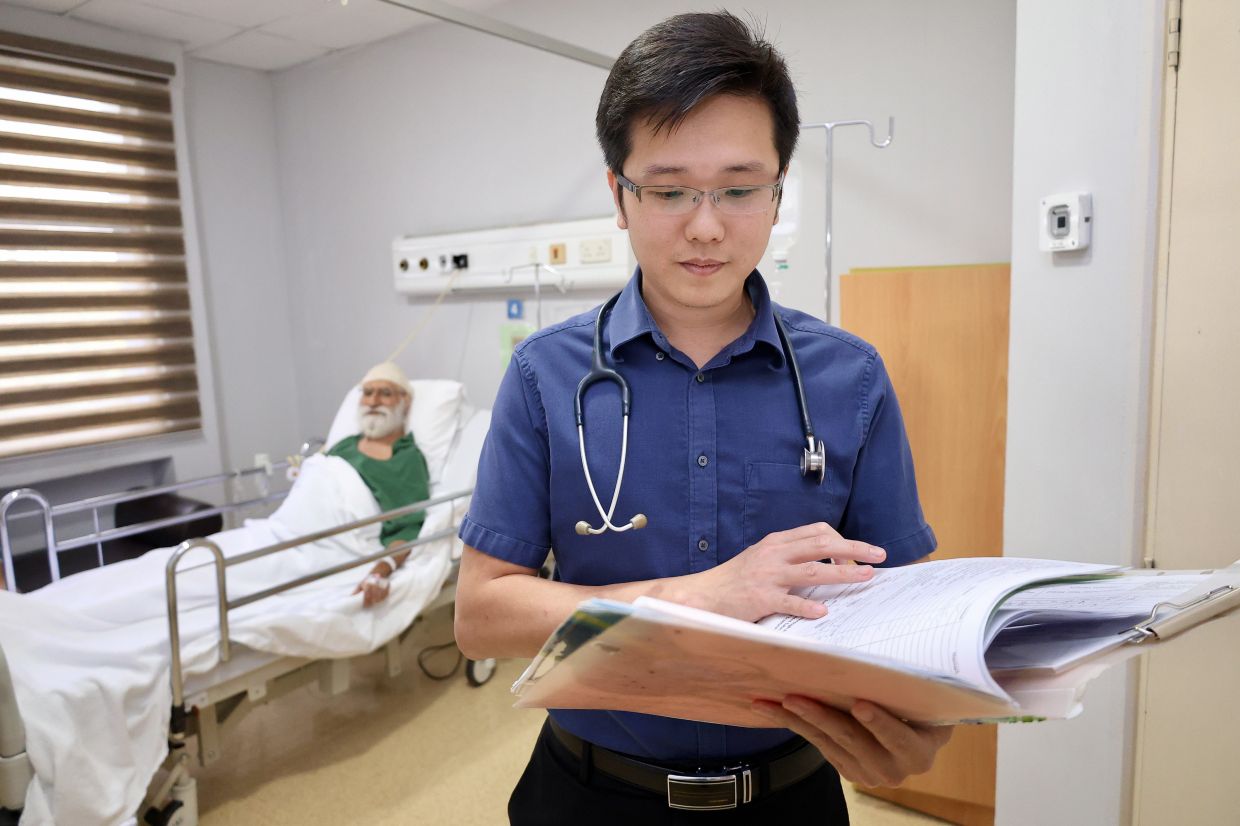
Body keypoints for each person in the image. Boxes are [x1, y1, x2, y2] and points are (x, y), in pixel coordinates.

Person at [455, 11, 952, 823]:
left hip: (792, 795)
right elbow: (482, 616)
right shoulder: (544, 376)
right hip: (587, 794)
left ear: (778, 191)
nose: (707, 225)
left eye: (739, 187)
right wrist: (702, 596)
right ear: (619, 194)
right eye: (671, 188)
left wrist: (921, 723)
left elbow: (905, 606)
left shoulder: (850, 378)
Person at [326, 361, 430, 607]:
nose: (373, 402)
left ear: (405, 403)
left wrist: (381, 569)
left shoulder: (404, 459)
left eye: (385, 394)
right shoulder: (343, 446)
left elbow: (408, 528)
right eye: (368, 393)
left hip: (340, 546)